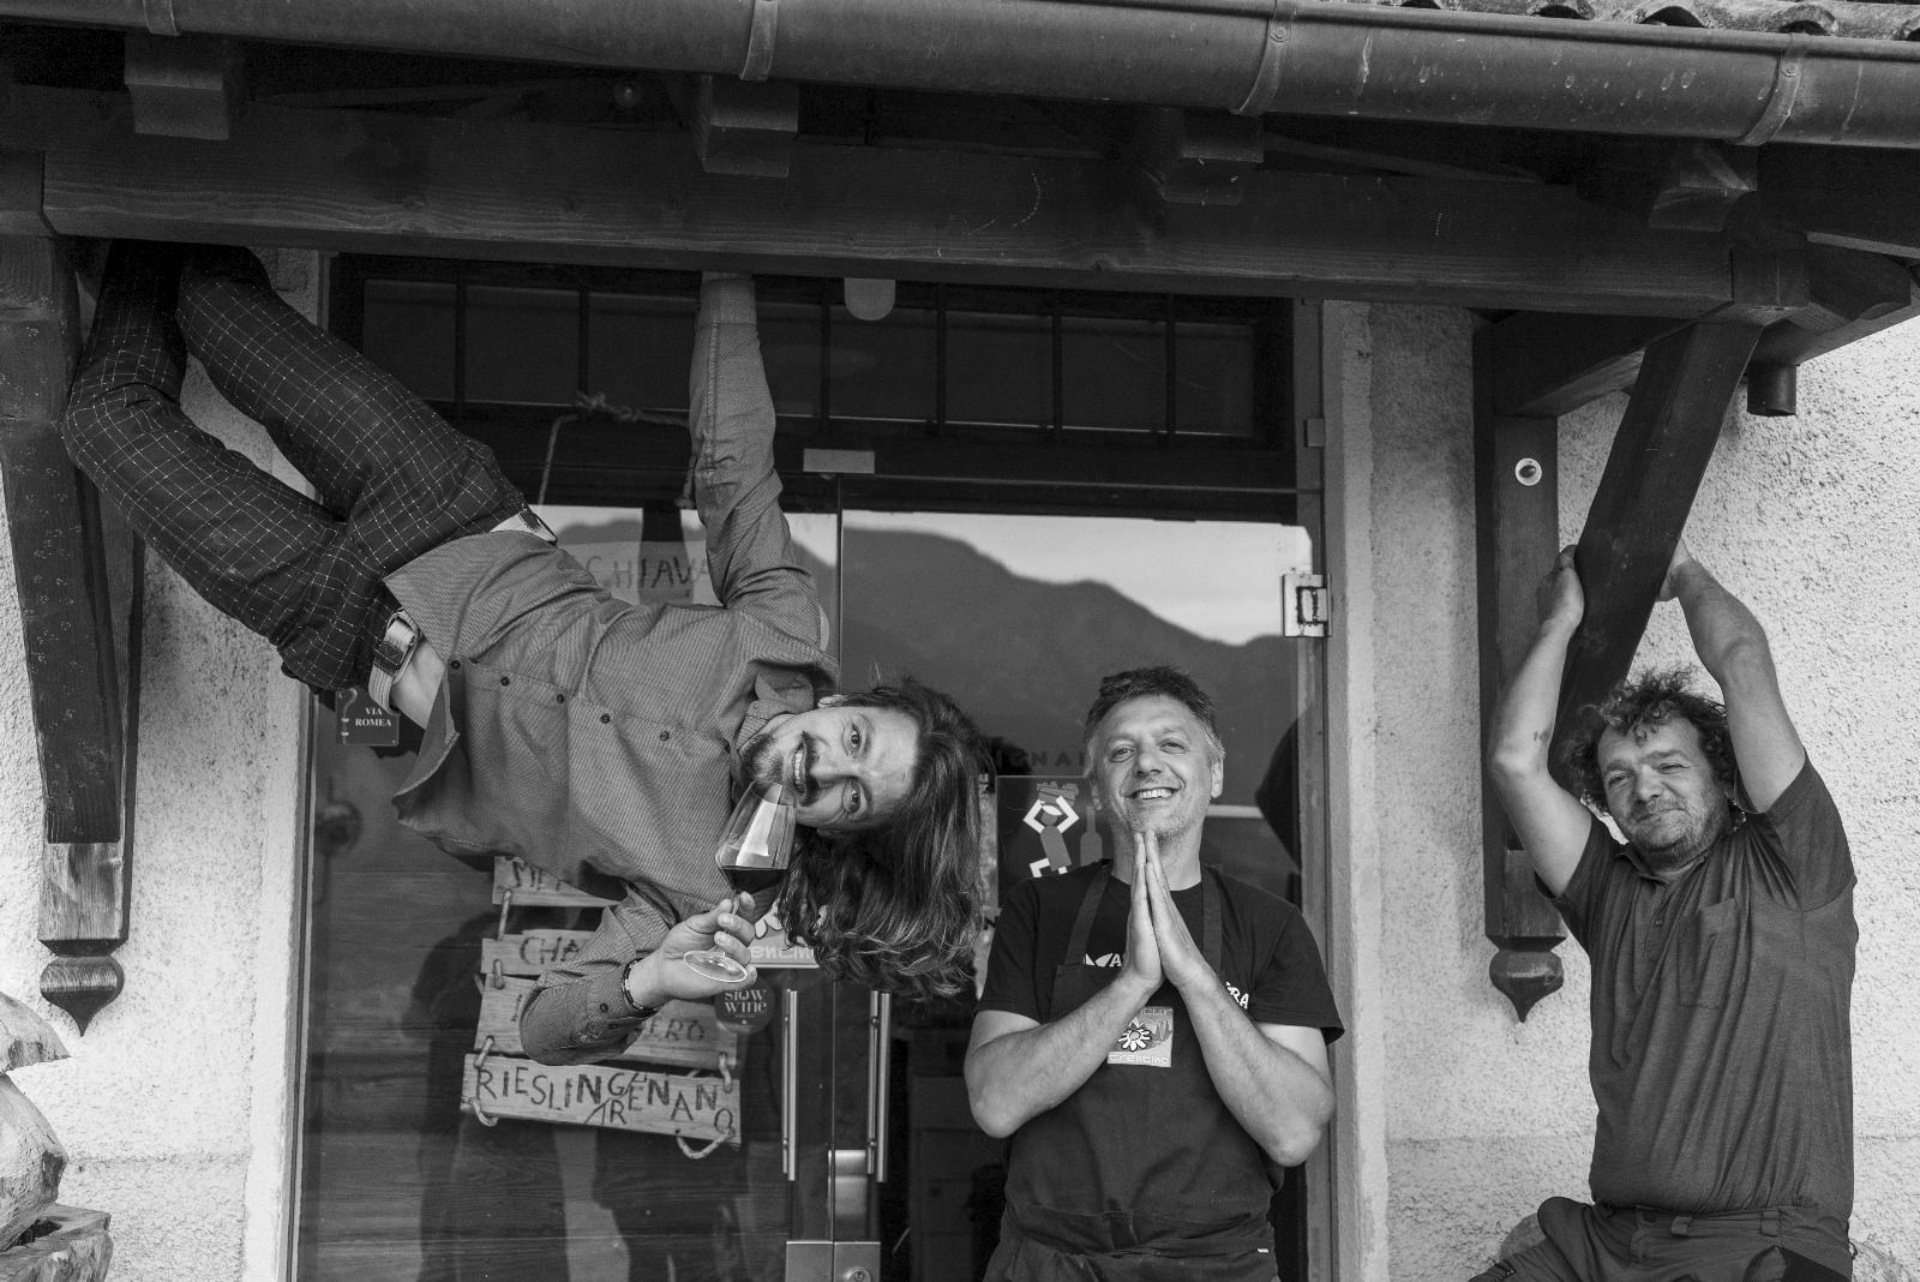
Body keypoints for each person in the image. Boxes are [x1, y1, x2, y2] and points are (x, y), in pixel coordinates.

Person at [59, 242, 987, 1062]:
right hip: (446, 511)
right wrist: (727, 254)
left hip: (346, 635)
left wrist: (649, 984)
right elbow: (733, 463)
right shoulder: (781, 632)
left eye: (854, 799)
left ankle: (114, 248)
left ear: (844, 833)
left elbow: (538, 1030)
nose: (826, 771)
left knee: (104, 421)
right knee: (212, 298)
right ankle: (120, 223)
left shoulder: (706, 893)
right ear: (846, 704)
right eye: (856, 741)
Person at [1481, 541, 1855, 1282]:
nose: (1644, 788)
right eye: (1619, 777)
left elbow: (1741, 659)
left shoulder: (1791, 861)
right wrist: (1559, 622)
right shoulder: (1607, 890)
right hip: (1606, 1243)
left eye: (1669, 765)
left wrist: (1681, 572)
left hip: (1759, 1245)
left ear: (1725, 775)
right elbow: (1515, 763)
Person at [965, 666, 1341, 1282]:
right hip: (1050, 1262)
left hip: (1220, 1267)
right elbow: (995, 1104)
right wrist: (1132, 984)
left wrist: (1195, 978)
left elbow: (1294, 1132)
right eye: (1121, 752)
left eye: (1171, 744)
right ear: (1096, 788)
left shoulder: (1271, 925)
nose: (1146, 764)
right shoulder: (1038, 910)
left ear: (1214, 775)